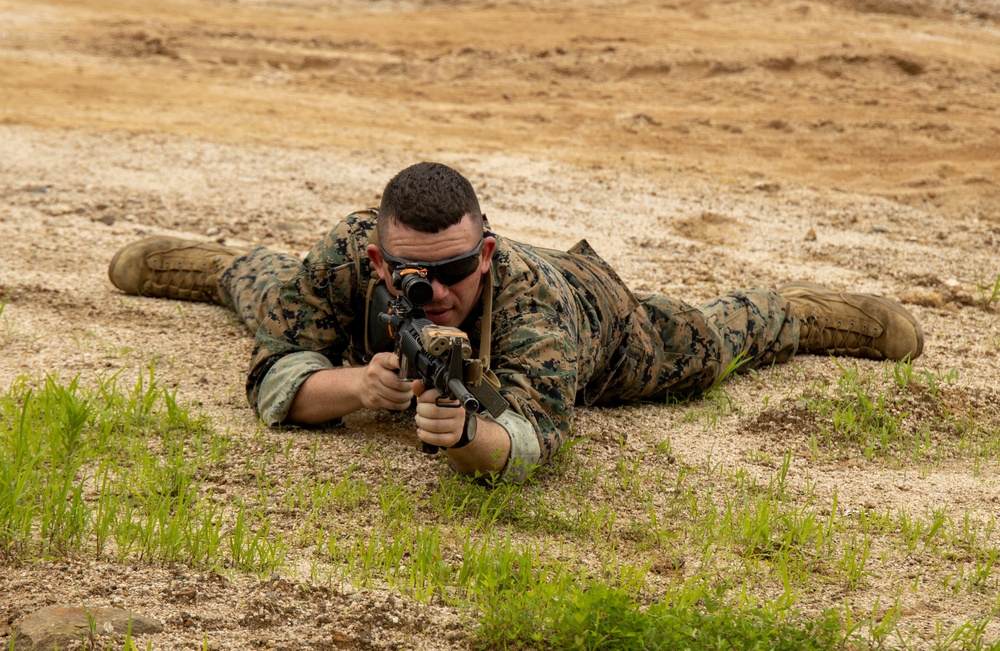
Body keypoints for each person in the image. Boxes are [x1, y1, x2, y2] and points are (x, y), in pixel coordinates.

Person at [107, 162, 923, 481]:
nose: (441, 291)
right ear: (384, 262)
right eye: (418, 275)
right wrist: (361, 384)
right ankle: (219, 265)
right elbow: (279, 366)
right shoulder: (350, 253)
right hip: (360, 338)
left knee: (706, 347)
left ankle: (803, 314)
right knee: (274, 292)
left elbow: (529, 445)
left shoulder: (539, 313)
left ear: (485, 254)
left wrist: (463, 433)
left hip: (598, 314)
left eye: (460, 270)